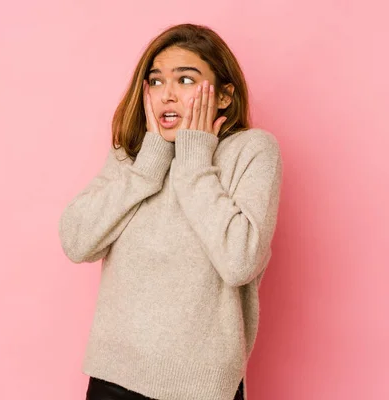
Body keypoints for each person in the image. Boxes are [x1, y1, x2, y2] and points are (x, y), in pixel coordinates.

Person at [59, 23, 283, 400]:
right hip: (113, 377)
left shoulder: (253, 151)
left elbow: (240, 261)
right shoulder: (132, 155)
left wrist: (195, 159)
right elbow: (76, 241)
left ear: (224, 95)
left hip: (202, 387)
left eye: (185, 80)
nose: (168, 95)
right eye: (157, 82)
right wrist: (149, 163)